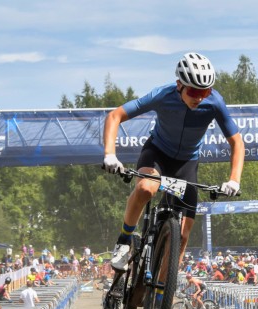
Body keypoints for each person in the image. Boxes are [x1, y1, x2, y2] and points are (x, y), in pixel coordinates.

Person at [103, 52, 245, 274]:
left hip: (186, 163)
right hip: (158, 153)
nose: (199, 97)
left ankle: (162, 294)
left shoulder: (214, 102)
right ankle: (124, 240)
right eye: (194, 91)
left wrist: (234, 180)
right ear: (179, 85)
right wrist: (110, 155)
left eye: (205, 91)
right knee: (145, 188)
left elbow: (237, 142)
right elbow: (115, 116)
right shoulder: (162, 95)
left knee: (183, 234)